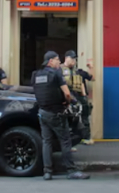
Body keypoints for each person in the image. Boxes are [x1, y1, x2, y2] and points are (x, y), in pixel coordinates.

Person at [31, 51, 90, 181]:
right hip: (56, 112)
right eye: (57, 60)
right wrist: (69, 102)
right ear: (50, 61)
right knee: (65, 140)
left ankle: (47, 172)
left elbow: (36, 92)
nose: (59, 62)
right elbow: (67, 94)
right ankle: (71, 170)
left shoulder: (35, 75)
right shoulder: (56, 74)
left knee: (47, 141)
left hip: (42, 112)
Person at [63, 50, 94, 145]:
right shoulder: (59, 70)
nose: (73, 61)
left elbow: (90, 79)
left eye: (75, 59)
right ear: (66, 58)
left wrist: (91, 67)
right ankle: (69, 143)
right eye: (71, 58)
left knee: (84, 117)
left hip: (79, 97)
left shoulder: (78, 71)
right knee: (68, 120)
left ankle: (86, 137)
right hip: (66, 98)